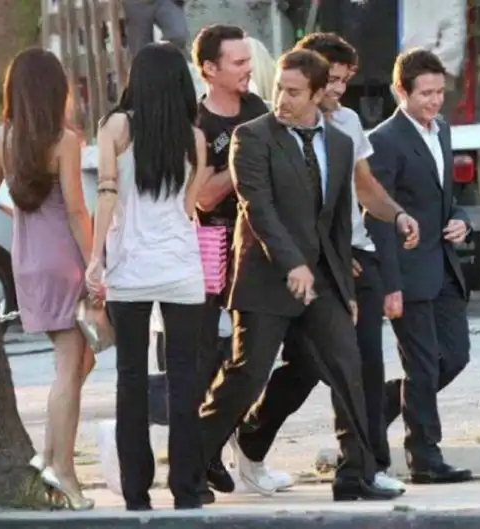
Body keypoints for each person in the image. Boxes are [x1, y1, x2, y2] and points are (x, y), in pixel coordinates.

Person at [198, 48, 405, 502]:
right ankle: (194, 463)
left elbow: (336, 222)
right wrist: (292, 263)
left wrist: (345, 287)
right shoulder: (251, 137)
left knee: (347, 365)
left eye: (293, 92)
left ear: (317, 94)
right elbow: (258, 208)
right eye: (279, 89)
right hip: (265, 278)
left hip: (323, 279)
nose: (282, 100)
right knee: (247, 374)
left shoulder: (341, 143)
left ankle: (357, 474)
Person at [0, 48, 95, 510]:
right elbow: (75, 210)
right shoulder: (64, 141)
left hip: (29, 261)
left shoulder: (0, 140)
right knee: (69, 366)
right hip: (64, 259)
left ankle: (48, 456)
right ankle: (64, 472)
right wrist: (95, 265)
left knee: (78, 363)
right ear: (54, 90)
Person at [85, 42, 209, 510]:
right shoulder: (194, 138)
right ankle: (187, 489)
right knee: (185, 379)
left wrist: (95, 258)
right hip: (181, 266)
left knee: (131, 378)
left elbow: (107, 194)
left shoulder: (116, 126)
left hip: (129, 266)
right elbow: (187, 207)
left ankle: (137, 492)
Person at [366, 48, 472, 484]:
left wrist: (461, 221)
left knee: (456, 357)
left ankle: (382, 406)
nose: (434, 101)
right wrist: (389, 283)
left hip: (444, 266)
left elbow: (448, 198)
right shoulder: (384, 140)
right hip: (407, 271)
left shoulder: (442, 130)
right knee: (423, 367)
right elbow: (377, 216)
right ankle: (425, 458)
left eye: (439, 92)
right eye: (425, 93)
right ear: (400, 91)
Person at [191, 24, 271, 500]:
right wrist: (241, 158)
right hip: (212, 248)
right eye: (237, 62)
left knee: (251, 357)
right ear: (209, 69)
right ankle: (204, 455)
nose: (247, 69)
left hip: (259, 248)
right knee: (209, 356)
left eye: (248, 60)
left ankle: (228, 448)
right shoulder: (197, 123)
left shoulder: (259, 109)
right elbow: (202, 196)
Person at [123, 0, 189, 58]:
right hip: (135, 4)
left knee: (179, 33)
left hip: (165, 2)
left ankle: (165, 62)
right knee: (140, 53)